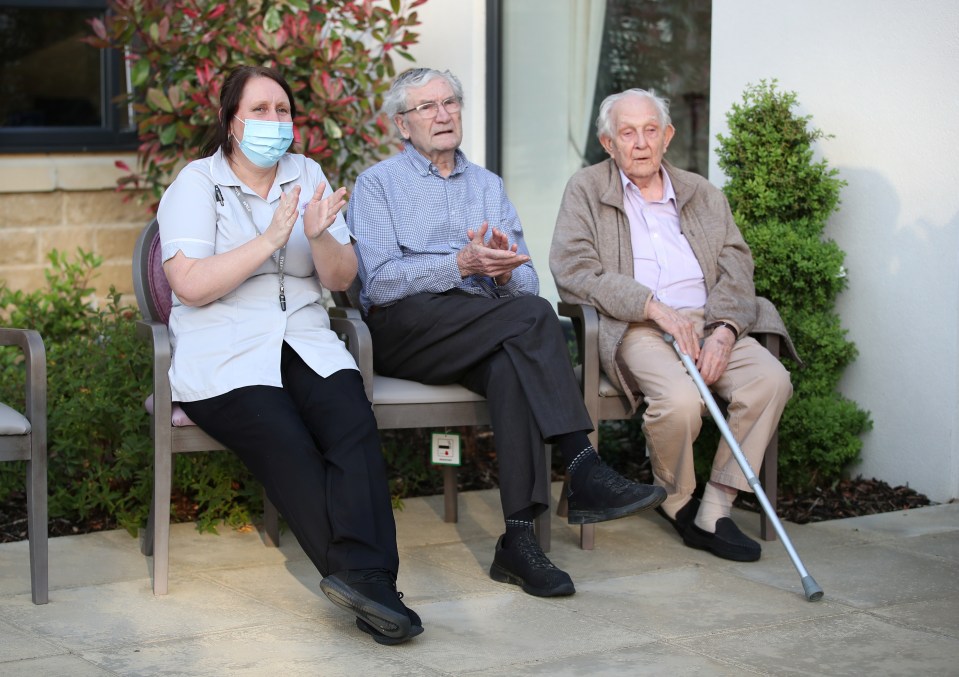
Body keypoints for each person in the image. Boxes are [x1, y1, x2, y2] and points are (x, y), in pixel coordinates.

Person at [346, 67, 666, 598]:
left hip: (483, 324)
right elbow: (377, 284)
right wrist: (461, 264)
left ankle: (518, 540)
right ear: (403, 125)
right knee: (536, 315)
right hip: (407, 330)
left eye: (450, 102)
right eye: (427, 107)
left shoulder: (488, 185)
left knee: (513, 361)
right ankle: (582, 464)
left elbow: (526, 280)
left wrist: (499, 271)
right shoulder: (378, 184)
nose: (444, 114)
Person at [156, 65, 421, 645]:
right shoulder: (196, 185)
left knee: (351, 425)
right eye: (260, 110)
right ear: (231, 123)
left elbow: (344, 275)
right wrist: (272, 239)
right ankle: (373, 587)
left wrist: (322, 235)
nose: (275, 122)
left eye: (283, 111)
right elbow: (191, 285)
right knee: (288, 443)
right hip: (224, 350)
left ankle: (370, 583)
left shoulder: (308, 174)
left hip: (303, 339)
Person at [550, 88, 797, 562]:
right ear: (608, 143)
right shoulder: (585, 189)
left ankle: (715, 508)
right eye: (627, 133)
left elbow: (736, 267)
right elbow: (574, 269)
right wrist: (652, 307)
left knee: (770, 380)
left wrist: (724, 329)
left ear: (667, 136)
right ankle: (678, 499)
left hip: (710, 318)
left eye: (649, 131)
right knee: (681, 402)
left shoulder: (701, 191)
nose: (640, 143)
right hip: (636, 324)